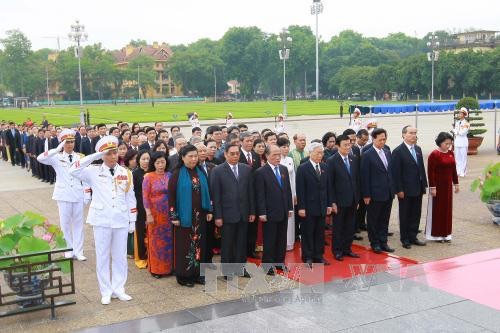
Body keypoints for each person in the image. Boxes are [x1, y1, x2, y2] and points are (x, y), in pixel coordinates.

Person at [69, 135, 137, 305]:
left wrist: (132, 220)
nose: (113, 156)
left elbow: (131, 198)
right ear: (101, 156)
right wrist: (94, 156)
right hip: (101, 219)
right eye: (108, 154)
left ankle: (119, 288)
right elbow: (73, 170)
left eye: (114, 153)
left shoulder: (126, 173)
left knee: (120, 256)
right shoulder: (93, 171)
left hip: (121, 218)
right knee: (103, 256)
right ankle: (105, 291)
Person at [37, 129, 86, 260]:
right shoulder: (56, 157)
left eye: (71, 142)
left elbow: (85, 176)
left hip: (77, 193)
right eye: (67, 142)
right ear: (62, 143)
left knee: (78, 224)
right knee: (65, 224)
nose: (70, 144)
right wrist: (57, 149)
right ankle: (68, 249)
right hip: (63, 194)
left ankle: (79, 251)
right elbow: (40, 158)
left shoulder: (80, 157)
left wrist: (87, 194)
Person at [168, 145, 212, 286]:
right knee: (185, 246)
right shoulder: (176, 174)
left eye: (195, 156)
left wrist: (210, 211)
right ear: (182, 157)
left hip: (200, 217)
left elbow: (208, 193)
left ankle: (198, 274)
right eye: (190, 156)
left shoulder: (201, 172)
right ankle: (184, 276)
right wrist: (174, 216)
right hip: (184, 218)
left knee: (200, 245)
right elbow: (171, 197)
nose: (194, 159)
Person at [211, 143, 255, 278]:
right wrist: (217, 216)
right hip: (227, 214)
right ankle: (227, 270)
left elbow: (250, 192)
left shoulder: (246, 169)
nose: (235, 156)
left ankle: (241, 268)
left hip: (243, 212)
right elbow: (216, 196)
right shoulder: (217, 171)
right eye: (232, 154)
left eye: (237, 153)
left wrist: (252, 211)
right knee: (228, 243)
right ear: (225, 154)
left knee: (241, 242)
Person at [255, 145, 293, 275]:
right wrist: (262, 212)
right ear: (266, 156)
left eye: (279, 155)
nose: (278, 157)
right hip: (269, 213)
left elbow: (287, 190)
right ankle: (267, 265)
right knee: (270, 240)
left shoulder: (283, 169)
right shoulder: (261, 172)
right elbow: (259, 194)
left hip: (283, 211)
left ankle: (279, 263)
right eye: (274, 155)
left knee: (281, 238)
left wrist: (289, 208)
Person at [391, 126, 428, 249]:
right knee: (405, 214)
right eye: (411, 133)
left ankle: (413, 236)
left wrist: (424, 185)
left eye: (415, 133)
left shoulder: (417, 149)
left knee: (416, 214)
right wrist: (399, 189)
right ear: (403, 135)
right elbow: (396, 173)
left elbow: (421, 169)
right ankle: (405, 239)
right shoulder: (398, 151)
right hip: (405, 190)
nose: (414, 135)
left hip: (418, 188)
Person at [296, 142, 331, 267]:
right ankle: (308, 256)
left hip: (321, 206)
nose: (320, 155)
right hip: (308, 207)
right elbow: (300, 189)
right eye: (317, 153)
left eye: (321, 153)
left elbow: (328, 187)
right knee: (308, 232)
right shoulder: (303, 168)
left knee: (319, 233)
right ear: (310, 153)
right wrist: (301, 207)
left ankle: (318, 255)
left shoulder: (325, 167)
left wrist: (328, 205)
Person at [327, 135, 361, 261]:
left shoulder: (354, 158)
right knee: (338, 227)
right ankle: (337, 251)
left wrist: (357, 199)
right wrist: (333, 202)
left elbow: (357, 180)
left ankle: (347, 249)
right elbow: (330, 183)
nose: (348, 147)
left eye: (349, 144)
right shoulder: (332, 161)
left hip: (352, 200)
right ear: (338, 146)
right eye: (345, 145)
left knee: (350, 226)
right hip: (339, 201)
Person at [361, 128, 395, 254]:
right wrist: (366, 194)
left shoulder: (387, 151)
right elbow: (365, 176)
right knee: (373, 220)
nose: (382, 142)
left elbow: (390, 172)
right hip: (374, 194)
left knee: (384, 219)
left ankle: (383, 241)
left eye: (384, 139)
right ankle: (374, 243)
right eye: (380, 139)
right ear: (373, 139)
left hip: (388, 192)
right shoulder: (367, 154)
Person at [143, 152, 174, 278]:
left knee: (169, 240)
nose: (160, 165)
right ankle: (156, 269)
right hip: (155, 213)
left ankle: (169, 268)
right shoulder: (148, 177)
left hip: (168, 213)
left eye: (162, 162)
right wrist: (148, 214)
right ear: (153, 164)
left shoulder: (170, 175)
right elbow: (145, 197)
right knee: (156, 241)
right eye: (157, 163)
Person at [425, 132, 459, 242]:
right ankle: (436, 235)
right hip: (438, 186)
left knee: (447, 209)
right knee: (438, 209)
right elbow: (431, 172)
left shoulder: (451, 153)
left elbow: (453, 169)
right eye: (446, 143)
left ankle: (446, 233)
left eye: (450, 143)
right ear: (440, 142)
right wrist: (432, 187)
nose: (448, 145)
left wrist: (456, 183)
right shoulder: (434, 154)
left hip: (448, 186)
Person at [277, 137, 296, 251]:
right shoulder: (277, 160)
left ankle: (290, 243)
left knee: (291, 218)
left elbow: (293, 177)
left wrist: (295, 194)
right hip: (280, 193)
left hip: (290, 192)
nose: (286, 149)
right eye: (283, 147)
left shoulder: (290, 159)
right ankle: (281, 243)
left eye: (287, 146)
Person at [132, 150, 150, 269]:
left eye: (148, 159)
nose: (146, 161)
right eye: (143, 159)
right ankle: (142, 257)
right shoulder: (135, 174)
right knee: (140, 231)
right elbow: (132, 193)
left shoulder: (154, 172)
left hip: (152, 206)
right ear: (138, 160)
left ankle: (152, 255)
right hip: (139, 205)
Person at [452, 107, 470, 177]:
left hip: (463, 142)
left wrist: (456, 131)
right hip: (457, 142)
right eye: (459, 113)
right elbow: (454, 131)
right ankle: (458, 170)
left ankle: (463, 171)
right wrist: (456, 131)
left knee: (463, 158)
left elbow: (462, 133)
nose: (459, 114)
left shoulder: (467, 123)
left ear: (464, 114)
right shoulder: (457, 122)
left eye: (461, 113)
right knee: (457, 157)